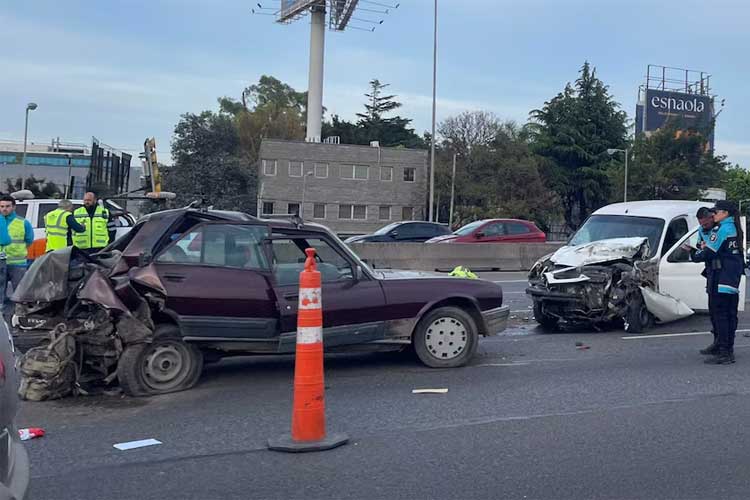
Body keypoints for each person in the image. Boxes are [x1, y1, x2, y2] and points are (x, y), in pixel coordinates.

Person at [694, 200, 745, 364]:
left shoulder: (724, 229)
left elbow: (708, 252)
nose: (713, 215)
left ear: (725, 213)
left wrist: (693, 255)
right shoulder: (733, 228)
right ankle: (721, 346)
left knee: (722, 315)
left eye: (716, 212)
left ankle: (725, 352)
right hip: (728, 276)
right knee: (725, 314)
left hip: (723, 277)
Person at [690, 207, 719, 355]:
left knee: (722, 313)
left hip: (721, 273)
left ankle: (724, 345)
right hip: (710, 272)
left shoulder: (719, 230)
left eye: (705, 224)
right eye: (700, 224)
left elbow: (709, 251)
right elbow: (699, 246)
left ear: (711, 219)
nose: (703, 227)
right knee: (713, 312)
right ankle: (716, 342)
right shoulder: (702, 230)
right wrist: (700, 249)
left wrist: (704, 250)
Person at [0, 194, 34, 318]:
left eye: (7, 206)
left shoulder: (23, 223)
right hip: (1, 262)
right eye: (2, 206)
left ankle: (20, 318)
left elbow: (29, 240)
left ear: (14, 207)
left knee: (20, 293)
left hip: (17, 263)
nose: (4, 209)